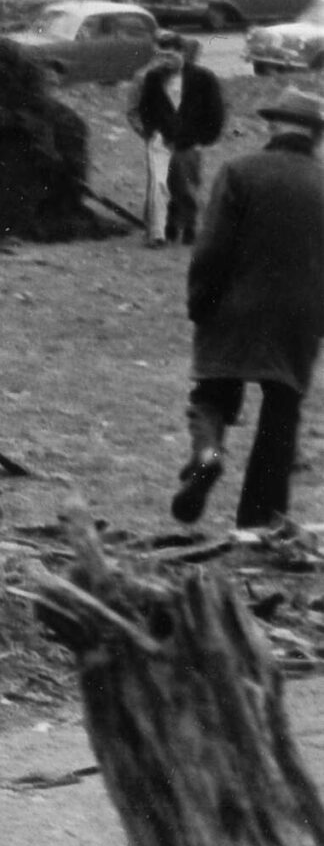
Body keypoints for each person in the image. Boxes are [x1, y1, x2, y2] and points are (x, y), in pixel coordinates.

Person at [172, 85, 324, 531]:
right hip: (299, 316)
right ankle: (260, 524)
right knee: (282, 413)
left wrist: (201, 302)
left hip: (234, 304)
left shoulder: (239, 172)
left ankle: (208, 453)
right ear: (315, 136)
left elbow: (212, 248)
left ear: (274, 127)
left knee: (212, 394)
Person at [129, 34, 226, 246]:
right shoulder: (153, 78)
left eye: (170, 55)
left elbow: (215, 112)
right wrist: (152, 132)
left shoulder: (203, 78)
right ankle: (159, 232)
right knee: (160, 184)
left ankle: (189, 226)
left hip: (190, 141)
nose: (166, 60)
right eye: (161, 55)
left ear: (182, 53)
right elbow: (145, 108)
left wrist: (204, 139)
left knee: (187, 185)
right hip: (161, 140)